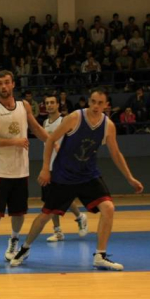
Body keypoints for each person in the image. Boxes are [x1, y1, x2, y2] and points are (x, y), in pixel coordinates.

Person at [11, 88, 144, 271]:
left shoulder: (108, 125)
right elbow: (50, 140)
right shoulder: (75, 117)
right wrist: (45, 169)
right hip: (63, 175)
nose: (96, 106)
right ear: (89, 102)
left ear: (106, 105)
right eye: (93, 102)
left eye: (100, 103)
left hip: (88, 175)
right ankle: (24, 248)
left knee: (108, 208)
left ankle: (100, 255)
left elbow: (115, 153)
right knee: (45, 215)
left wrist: (130, 177)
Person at [0, 70, 49, 269]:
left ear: (13, 85)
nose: (3, 86)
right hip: (0, 170)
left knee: (19, 213)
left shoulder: (24, 106)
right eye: (0, 83)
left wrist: (54, 143)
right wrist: (15, 141)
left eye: (7, 82)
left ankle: (13, 243)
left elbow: (36, 128)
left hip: (21, 170)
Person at [42, 95, 88, 241]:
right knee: (50, 200)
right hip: (49, 166)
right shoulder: (45, 123)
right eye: (47, 103)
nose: (49, 105)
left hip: (62, 167)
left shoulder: (65, 121)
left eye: (52, 102)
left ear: (57, 105)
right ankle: (58, 231)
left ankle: (80, 217)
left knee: (59, 198)